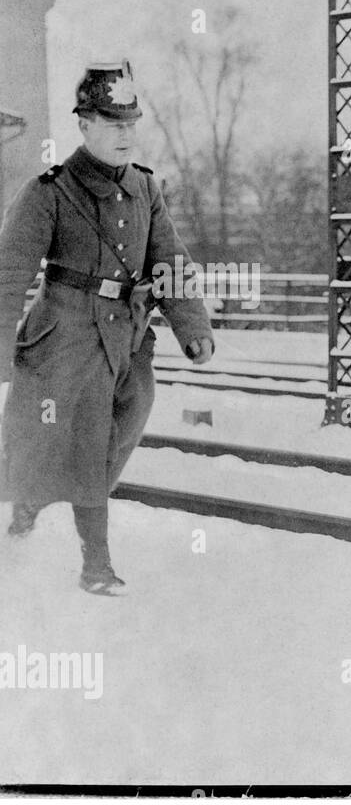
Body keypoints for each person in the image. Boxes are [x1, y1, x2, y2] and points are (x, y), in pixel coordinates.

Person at [0, 60, 215, 594]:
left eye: (130, 123)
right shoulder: (49, 191)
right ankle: (95, 563)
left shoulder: (145, 188)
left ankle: (33, 496)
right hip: (66, 340)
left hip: (128, 337)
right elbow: (8, 276)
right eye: (112, 123)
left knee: (130, 417)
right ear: (84, 124)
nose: (125, 135)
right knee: (87, 438)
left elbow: (169, 258)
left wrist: (192, 324)